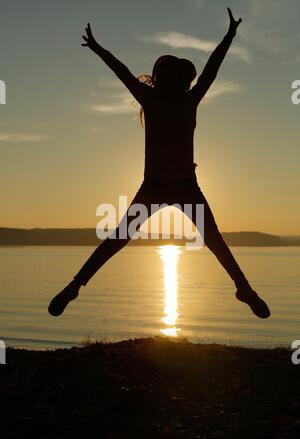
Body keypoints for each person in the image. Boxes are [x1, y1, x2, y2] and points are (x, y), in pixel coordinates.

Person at [48, 8, 270, 319]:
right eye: (175, 77)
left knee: (214, 239)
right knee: (119, 237)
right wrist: (98, 49)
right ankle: (74, 286)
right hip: (153, 187)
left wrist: (229, 36)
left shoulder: (190, 100)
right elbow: (122, 72)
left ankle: (244, 288)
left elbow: (211, 70)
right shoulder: (149, 100)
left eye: (184, 78)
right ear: (162, 79)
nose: (181, 82)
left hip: (185, 186)